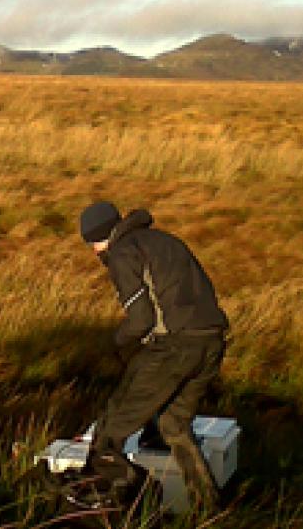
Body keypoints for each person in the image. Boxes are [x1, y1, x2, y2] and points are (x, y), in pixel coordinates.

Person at [79, 201, 228, 512]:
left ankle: (133, 503)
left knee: (110, 430)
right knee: (173, 425)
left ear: (101, 238)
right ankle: (208, 511)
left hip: (174, 348)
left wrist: (115, 343)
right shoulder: (167, 241)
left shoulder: (122, 253)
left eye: (92, 243)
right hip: (212, 342)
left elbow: (141, 320)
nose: (94, 252)